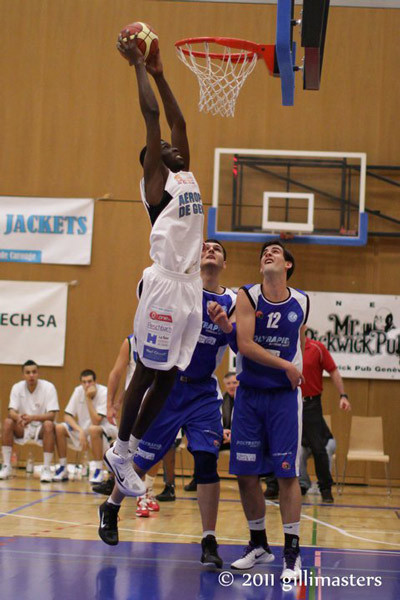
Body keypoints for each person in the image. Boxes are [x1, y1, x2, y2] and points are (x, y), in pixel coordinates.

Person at [104, 32, 204, 497]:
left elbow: (177, 119)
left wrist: (163, 75)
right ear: (153, 161)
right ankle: (121, 448)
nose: (171, 141)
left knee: (170, 375)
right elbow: (152, 117)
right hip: (164, 283)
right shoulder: (156, 182)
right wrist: (139, 67)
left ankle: (130, 450)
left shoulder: (185, 173)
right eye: (163, 145)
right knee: (146, 371)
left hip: (190, 287)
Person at [98, 239, 236, 569]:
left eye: (217, 249)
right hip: (169, 388)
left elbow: (240, 342)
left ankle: (209, 539)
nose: (210, 251)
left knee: (206, 461)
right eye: (205, 247)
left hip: (203, 392)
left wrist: (226, 327)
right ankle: (112, 507)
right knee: (141, 463)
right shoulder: (181, 287)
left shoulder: (231, 300)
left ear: (225, 264)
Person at [229, 240, 308, 582]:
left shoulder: (302, 301)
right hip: (249, 396)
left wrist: (293, 370)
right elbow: (244, 344)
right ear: (261, 267)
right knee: (246, 474)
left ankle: (292, 552)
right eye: (264, 253)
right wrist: (284, 365)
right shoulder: (248, 296)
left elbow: (299, 344)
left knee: (287, 474)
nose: (268, 253)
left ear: (287, 265)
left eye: (275, 251)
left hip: (283, 399)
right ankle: (258, 543)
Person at [264, 337, 351, 503]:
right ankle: (273, 485)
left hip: (310, 404)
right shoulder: (283, 344)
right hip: (285, 401)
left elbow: (333, 370)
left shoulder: (316, 348)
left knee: (319, 447)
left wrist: (343, 395)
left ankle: (325, 489)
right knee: (277, 443)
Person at [93, 336, 160, 517]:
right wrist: (110, 405)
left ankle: (148, 490)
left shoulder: (169, 336)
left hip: (162, 401)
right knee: (140, 451)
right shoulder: (132, 341)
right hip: (138, 407)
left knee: (158, 449)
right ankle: (141, 497)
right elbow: (116, 374)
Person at [53, 370, 117, 484]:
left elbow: (96, 421)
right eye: (84, 382)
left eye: (90, 382)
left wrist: (88, 398)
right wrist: (80, 431)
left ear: (95, 382)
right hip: (85, 430)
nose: (87, 385)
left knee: (93, 429)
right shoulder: (78, 391)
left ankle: (99, 470)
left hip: (106, 430)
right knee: (59, 428)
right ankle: (63, 468)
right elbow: (67, 416)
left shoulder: (104, 392)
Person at [0, 360, 59, 482]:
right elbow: (11, 411)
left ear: (38, 373)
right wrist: (18, 418)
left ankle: (46, 468)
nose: (31, 375)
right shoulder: (17, 387)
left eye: (34, 372)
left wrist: (32, 418)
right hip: (22, 427)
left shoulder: (49, 387)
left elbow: (52, 415)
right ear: (23, 375)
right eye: (28, 372)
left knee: (49, 425)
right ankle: (6, 465)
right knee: (7, 422)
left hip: (41, 428)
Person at [184, 371, 238, 492]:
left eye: (234, 382)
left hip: (241, 437)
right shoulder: (220, 399)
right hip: (222, 435)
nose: (232, 386)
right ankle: (198, 478)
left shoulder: (245, 399)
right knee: (203, 447)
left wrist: (236, 435)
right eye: (229, 383)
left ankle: (269, 484)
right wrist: (220, 432)